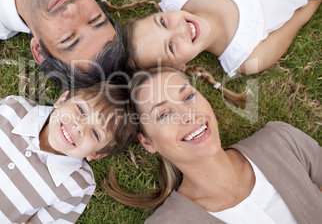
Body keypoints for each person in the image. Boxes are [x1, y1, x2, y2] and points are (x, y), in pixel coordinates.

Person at [104, 67, 322, 223]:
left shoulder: (280, 141)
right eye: (163, 115)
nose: (188, 115)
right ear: (148, 143)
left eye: (188, 97)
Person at [0, 81, 136, 224]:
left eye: (96, 134)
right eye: (81, 110)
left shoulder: (77, 185)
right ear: (62, 99)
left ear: (97, 154)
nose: (80, 126)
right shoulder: (14, 110)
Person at [101, 0, 322, 76]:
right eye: (170, 46)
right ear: (178, 68)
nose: (180, 30)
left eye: (163, 22)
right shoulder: (246, 57)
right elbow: (302, 14)